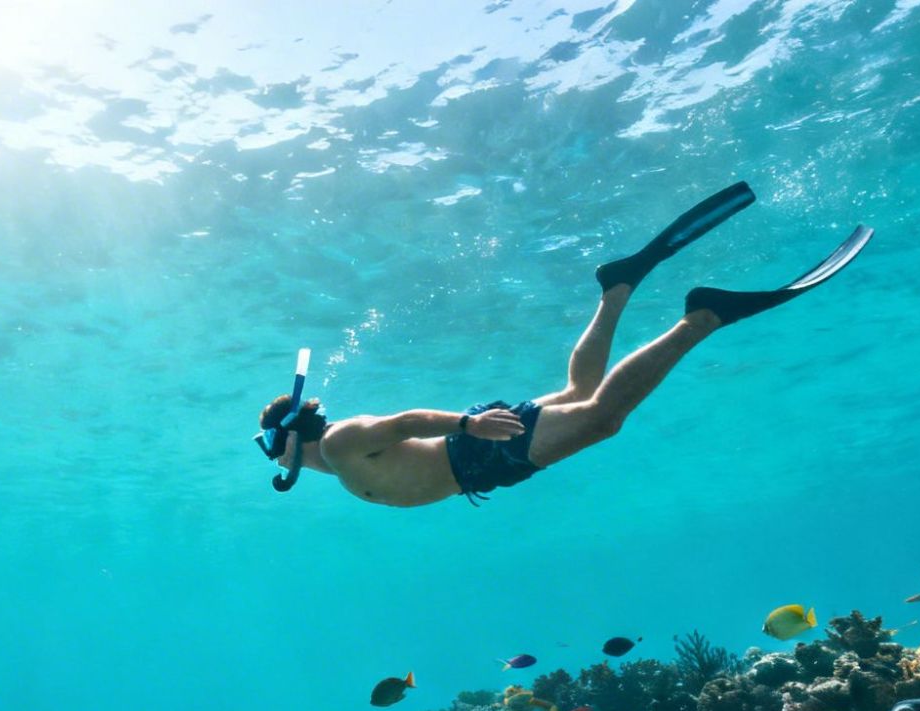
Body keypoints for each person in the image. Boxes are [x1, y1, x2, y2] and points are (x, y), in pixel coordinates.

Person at [253, 183, 871, 506]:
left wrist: (467, 425)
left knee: (604, 418)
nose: (269, 456)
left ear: (285, 436)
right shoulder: (336, 467)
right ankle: (617, 287)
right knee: (583, 393)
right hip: (484, 464)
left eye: (265, 444)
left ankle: (702, 317)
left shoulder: (339, 440)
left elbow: (408, 420)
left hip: (478, 451)